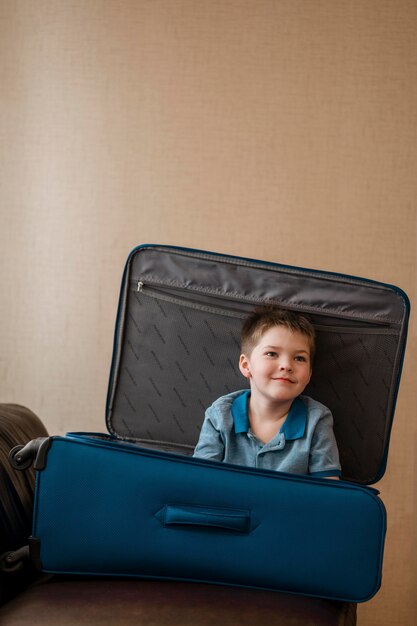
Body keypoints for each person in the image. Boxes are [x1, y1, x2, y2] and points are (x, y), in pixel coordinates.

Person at [193, 306, 341, 478]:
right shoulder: (220, 414)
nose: (286, 365)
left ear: (309, 374)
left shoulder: (317, 419)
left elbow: (328, 491)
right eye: (272, 353)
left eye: (299, 358)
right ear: (246, 365)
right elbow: (199, 481)